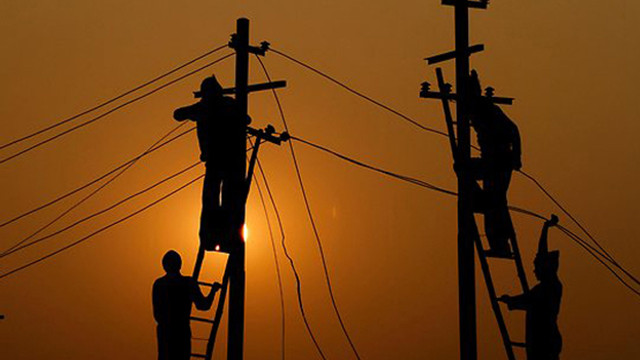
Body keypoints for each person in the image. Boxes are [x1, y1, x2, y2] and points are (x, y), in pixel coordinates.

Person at [173, 75, 250, 251]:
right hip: (227, 162)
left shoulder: (210, 106)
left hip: (222, 161)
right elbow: (178, 114)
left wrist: (203, 109)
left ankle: (218, 236)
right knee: (221, 200)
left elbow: (178, 114)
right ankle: (220, 236)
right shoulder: (221, 105)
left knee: (214, 200)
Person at [468, 70, 522, 258]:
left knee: (495, 201)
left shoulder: (487, 109)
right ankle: (479, 201)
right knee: (463, 169)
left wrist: (517, 156)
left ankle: (500, 244)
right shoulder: (472, 109)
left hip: (499, 161)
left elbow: (513, 129)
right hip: (490, 161)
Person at [499, 216, 563, 360]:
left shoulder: (549, 288)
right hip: (541, 340)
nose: (534, 271)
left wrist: (511, 300)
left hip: (544, 341)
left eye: (537, 267)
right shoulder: (547, 286)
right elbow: (541, 252)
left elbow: (528, 300)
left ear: (545, 268)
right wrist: (545, 229)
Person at [152, 250, 221, 360]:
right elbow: (203, 305)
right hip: (180, 334)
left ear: (164, 265)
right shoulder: (188, 283)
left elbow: (157, 315)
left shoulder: (159, 284)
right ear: (179, 264)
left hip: (166, 335)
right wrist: (213, 291)